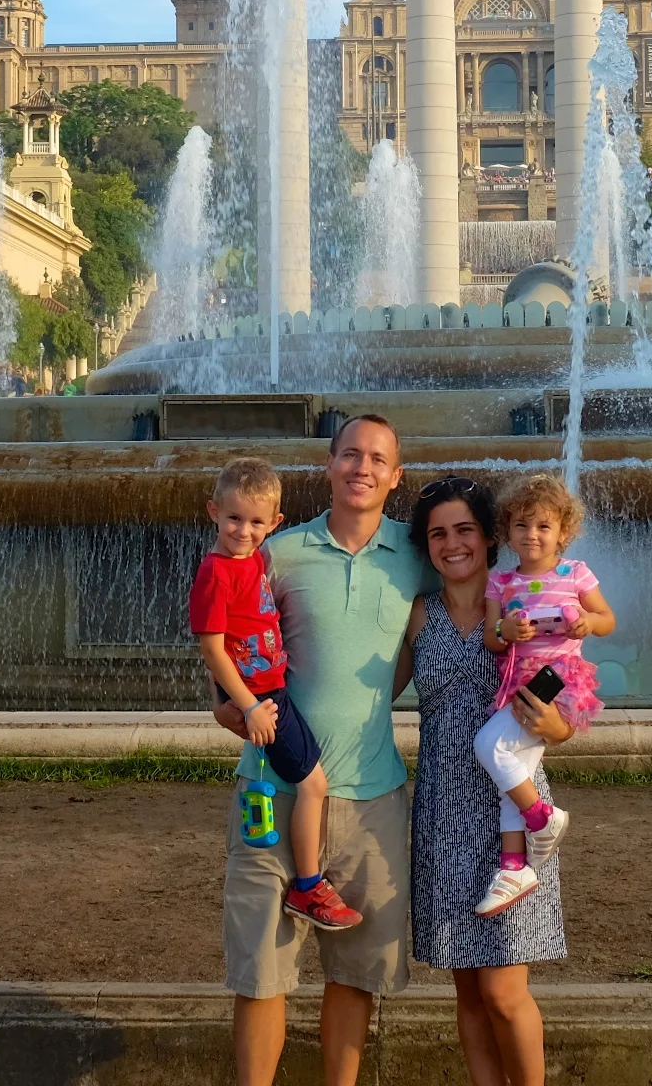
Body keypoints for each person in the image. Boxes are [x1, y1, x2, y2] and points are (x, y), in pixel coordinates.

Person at [211, 413, 422, 1086]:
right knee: (261, 974)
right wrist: (235, 711)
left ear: (396, 476)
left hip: (373, 797)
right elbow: (230, 656)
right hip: (270, 789)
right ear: (329, 465)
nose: (362, 467)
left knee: (356, 973)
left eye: (377, 459)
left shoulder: (417, 555)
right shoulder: (278, 551)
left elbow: (435, 639)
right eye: (350, 454)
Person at [404, 474, 575, 1086]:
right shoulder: (418, 614)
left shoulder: (530, 606)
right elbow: (367, 689)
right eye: (438, 534)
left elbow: (563, 707)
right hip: (441, 810)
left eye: (464, 530)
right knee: (469, 993)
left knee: (504, 990)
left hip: (508, 814)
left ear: (489, 537)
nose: (453, 544)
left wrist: (558, 728)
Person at [189, 457, 362, 930]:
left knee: (311, 780)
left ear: (275, 524)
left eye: (256, 522)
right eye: (234, 519)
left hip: (267, 692)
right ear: (213, 512)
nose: (244, 530)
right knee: (313, 785)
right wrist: (245, 707)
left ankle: (308, 882)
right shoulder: (216, 573)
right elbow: (212, 650)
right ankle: (308, 887)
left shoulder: (253, 560)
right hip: (263, 699)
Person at [473, 473, 613, 916]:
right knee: (516, 777)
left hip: (558, 681)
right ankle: (514, 866)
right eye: (522, 526)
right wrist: (506, 630)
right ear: (507, 530)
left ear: (563, 533)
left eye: (543, 526)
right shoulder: (501, 582)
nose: (532, 535)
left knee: (487, 746)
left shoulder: (575, 573)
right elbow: (491, 639)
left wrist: (588, 623)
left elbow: (607, 618)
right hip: (519, 682)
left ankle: (541, 819)